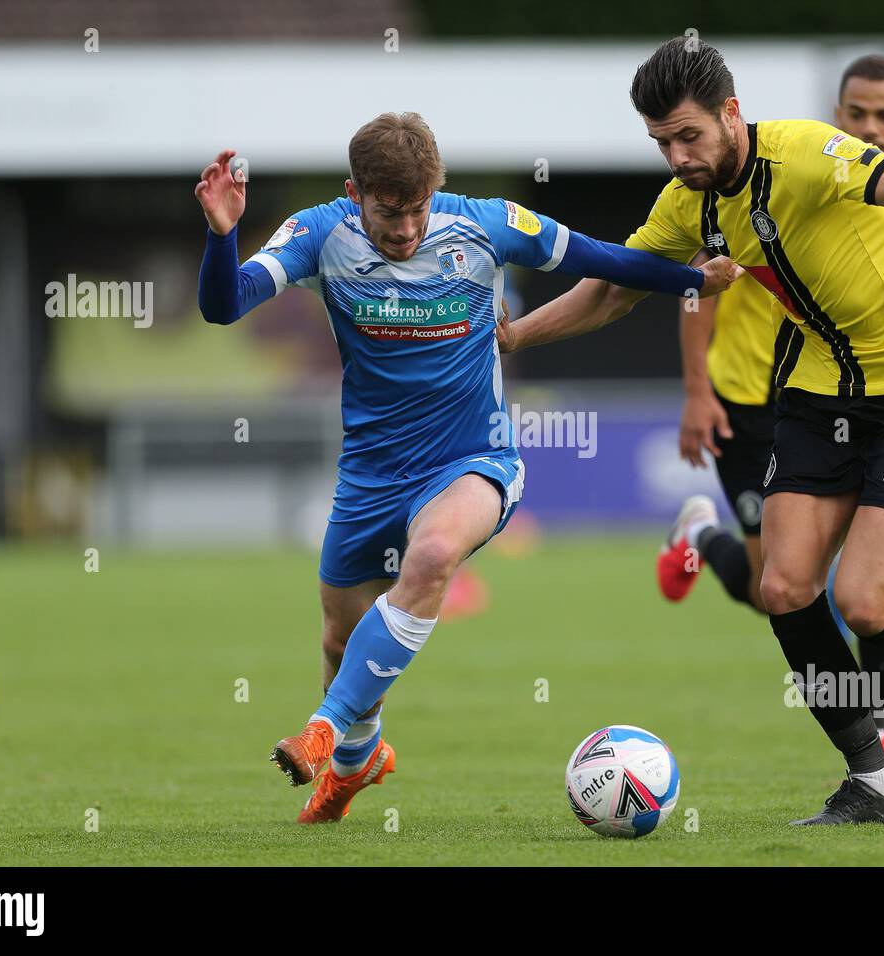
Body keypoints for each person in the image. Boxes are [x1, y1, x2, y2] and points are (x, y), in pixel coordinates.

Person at [498, 38, 884, 825]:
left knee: (866, 603)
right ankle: (870, 782)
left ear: (732, 114)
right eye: (662, 142)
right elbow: (611, 292)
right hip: (814, 397)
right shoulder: (688, 205)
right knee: (781, 586)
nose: (677, 156)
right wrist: (516, 336)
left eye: (688, 135)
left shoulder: (804, 150)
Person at [194, 112, 739, 824]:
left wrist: (688, 280)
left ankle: (323, 730)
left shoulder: (485, 224)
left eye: (418, 208)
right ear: (355, 193)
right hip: (370, 473)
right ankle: (359, 762)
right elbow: (223, 305)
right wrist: (221, 233)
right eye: (389, 213)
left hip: (471, 459)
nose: (405, 229)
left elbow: (602, 259)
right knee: (341, 638)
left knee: (435, 556)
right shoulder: (320, 233)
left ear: (436, 190)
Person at [659, 53, 884, 776]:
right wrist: (698, 390)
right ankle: (698, 533)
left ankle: (877, 734)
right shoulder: (783, 179)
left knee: (869, 578)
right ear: (837, 116)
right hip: (753, 402)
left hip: (852, 405)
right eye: (857, 115)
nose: (871, 127)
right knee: (776, 587)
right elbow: (696, 285)